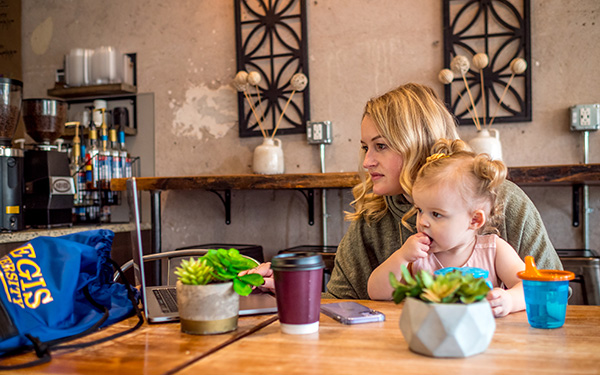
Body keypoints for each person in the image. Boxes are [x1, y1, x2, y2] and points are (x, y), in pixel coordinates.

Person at [242, 82, 563, 299]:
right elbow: (340, 301)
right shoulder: (374, 212)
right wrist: (285, 287)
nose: (367, 161)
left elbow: (555, 293)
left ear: (417, 144)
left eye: (381, 146)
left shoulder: (499, 198)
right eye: (366, 146)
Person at [367, 138, 525, 317]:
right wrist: (401, 257)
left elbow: (529, 288)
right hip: (432, 335)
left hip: (484, 339)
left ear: (474, 220)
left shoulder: (493, 250)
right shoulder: (419, 257)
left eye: (436, 214)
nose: (422, 221)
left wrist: (509, 300)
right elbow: (376, 292)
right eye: (420, 210)